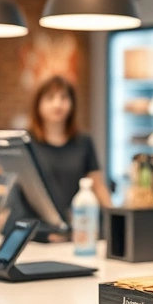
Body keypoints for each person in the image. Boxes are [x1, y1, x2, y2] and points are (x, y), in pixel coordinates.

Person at [27, 75, 112, 218]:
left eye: (64, 98)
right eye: (50, 98)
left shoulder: (84, 142)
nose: (57, 104)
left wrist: (115, 219)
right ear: (38, 104)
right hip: (37, 227)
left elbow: (98, 186)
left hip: (77, 224)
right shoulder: (26, 143)